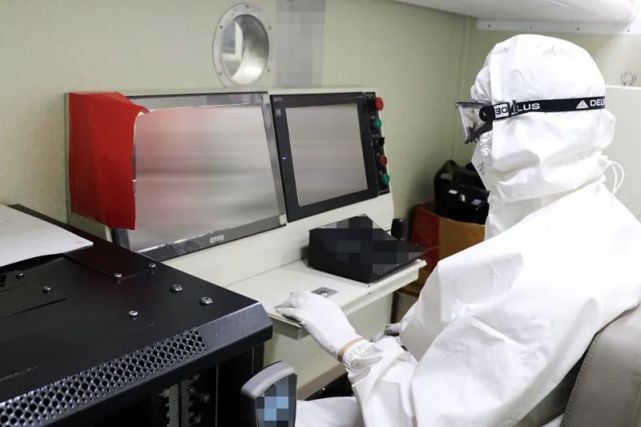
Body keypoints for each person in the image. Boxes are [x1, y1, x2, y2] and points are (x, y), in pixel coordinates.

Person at [276, 34, 641, 427]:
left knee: (267, 413)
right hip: (428, 383)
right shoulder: (604, 222)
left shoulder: (545, 277)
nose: (475, 140)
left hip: (404, 408)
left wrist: (348, 345)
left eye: (481, 119)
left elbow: (420, 417)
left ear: (525, 127)